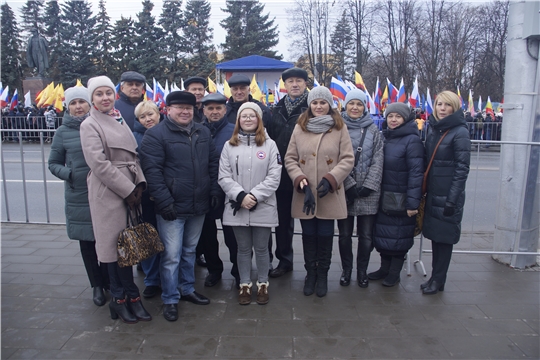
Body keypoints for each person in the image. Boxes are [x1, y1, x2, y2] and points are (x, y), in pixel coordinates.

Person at [139, 91, 220, 322]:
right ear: (168, 109)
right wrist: (164, 201)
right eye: (179, 107)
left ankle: (187, 289)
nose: (185, 111)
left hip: (199, 204)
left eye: (189, 107)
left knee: (189, 252)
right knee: (171, 256)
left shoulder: (202, 131)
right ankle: (170, 298)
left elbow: (212, 163)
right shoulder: (155, 135)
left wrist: (214, 190)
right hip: (172, 207)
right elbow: (152, 172)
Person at [80, 76, 151, 324]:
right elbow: (98, 163)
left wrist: (139, 184)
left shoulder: (118, 118)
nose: (105, 98)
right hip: (108, 191)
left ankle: (132, 296)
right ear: (92, 98)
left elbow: (134, 157)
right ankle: (120, 299)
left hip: (128, 189)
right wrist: (128, 188)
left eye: (108, 93)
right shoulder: (90, 124)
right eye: (99, 94)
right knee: (113, 248)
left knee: (127, 247)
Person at [284, 86, 354, 297]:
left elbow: (348, 158)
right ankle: (310, 274)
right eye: (315, 102)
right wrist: (300, 179)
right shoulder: (300, 127)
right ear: (310, 105)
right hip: (305, 194)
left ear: (329, 104)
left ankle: (322, 274)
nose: (318, 106)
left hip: (328, 193)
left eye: (323, 102)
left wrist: (332, 177)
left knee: (324, 235)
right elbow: (290, 158)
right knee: (308, 235)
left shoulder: (340, 127)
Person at [48, 86, 109, 307]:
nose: (78, 107)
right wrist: (70, 174)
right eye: (73, 103)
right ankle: (97, 285)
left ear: (89, 104)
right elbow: (53, 163)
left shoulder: (100, 124)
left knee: (107, 238)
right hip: (79, 195)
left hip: (104, 191)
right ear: (68, 107)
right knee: (87, 243)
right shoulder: (63, 132)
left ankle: (109, 280)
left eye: (81, 102)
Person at [219, 102, 281, 305]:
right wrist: (240, 196)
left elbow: (274, 176)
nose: (247, 119)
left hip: (262, 205)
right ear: (238, 120)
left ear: (259, 119)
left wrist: (254, 196)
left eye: (252, 116)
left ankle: (263, 283)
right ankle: (245, 285)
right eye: (243, 116)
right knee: (243, 249)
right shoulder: (229, 146)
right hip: (238, 207)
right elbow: (224, 176)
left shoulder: (270, 145)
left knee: (262, 248)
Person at [369, 102, 424, 287]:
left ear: (405, 118)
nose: (393, 120)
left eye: (398, 116)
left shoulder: (412, 140)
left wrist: (412, 203)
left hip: (400, 197)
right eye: (390, 116)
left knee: (399, 237)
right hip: (383, 195)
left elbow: (416, 174)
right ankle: (384, 268)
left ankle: (394, 273)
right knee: (384, 235)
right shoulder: (386, 136)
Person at [422, 91, 471, 295]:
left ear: (454, 107)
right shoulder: (435, 128)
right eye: (439, 104)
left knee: (444, 240)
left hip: (448, 196)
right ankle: (435, 277)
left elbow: (462, 168)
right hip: (435, 193)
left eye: (446, 105)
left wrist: (452, 199)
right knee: (436, 237)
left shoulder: (459, 132)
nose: (442, 109)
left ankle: (439, 279)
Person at [337, 89, 384, 288]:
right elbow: (335, 158)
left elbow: (378, 159)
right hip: (344, 190)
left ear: (365, 107)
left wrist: (368, 186)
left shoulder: (374, 131)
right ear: (345, 106)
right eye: (351, 103)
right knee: (344, 235)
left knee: (366, 236)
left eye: (359, 104)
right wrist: (348, 184)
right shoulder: (337, 128)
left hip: (368, 192)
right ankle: (346, 270)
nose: (355, 107)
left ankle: (362, 270)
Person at [266, 67, 309, 278]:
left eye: (299, 81)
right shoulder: (277, 108)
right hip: (281, 174)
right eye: (290, 81)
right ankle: (285, 260)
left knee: (310, 220)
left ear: (305, 84)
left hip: (307, 172)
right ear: (285, 85)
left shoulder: (313, 107)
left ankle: (314, 263)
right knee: (282, 221)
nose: (294, 84)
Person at [198, 93, 239, 287]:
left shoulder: (234, 132)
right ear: (204, 111)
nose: (214, 112)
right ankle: (214, 269)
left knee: (232, 234)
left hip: (230, 190)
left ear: (225, 110)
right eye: (210, 109)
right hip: (205, 189)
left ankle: (238, 269)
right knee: (207, 235)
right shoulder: (197, 131)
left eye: (218, 108)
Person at [132, 100, 162, 299]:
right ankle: (152, 280)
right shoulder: (133, 138)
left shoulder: (168, 132)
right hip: (145, 196)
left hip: (167, 194)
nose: (147, 119)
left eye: (150, 114)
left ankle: (169, 277)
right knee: (147, 237)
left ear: (158, 114)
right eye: (142, 116)